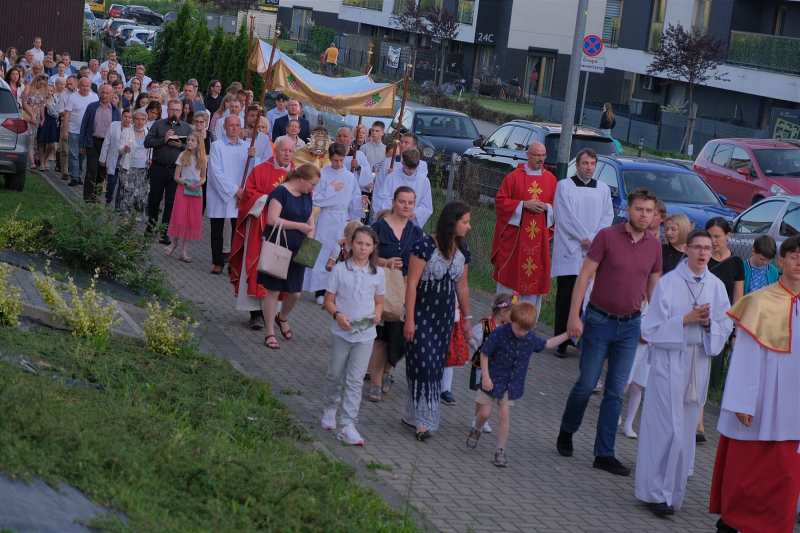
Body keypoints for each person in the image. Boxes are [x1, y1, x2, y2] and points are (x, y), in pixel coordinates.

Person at [556, 188, 662, 477]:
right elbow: (583, 277)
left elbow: (654, 290)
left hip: (630, 326)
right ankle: (567, 429)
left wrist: (656, 325)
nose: (644, 215)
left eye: (649, 211)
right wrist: (573, 316)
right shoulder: (607, 236)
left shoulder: (655, 246)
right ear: (627, 210)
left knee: (615, 392)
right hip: (598, 320)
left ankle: (604, 453)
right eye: (639, 209)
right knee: (587, 383)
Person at [635, 229, 733, 516]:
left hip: (697, 361)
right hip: (669, 360)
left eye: (707, 248)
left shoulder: (716, 285)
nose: (703, 253)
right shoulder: (668, 283)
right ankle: (655, 493)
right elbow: (650, 330)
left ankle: (672, 494)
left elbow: (725, 324)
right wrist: (686, 320)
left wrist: (707, 326)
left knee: (686, 431)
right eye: (697, 247)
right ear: (687, 249)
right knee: (667, 428)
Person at [709, 234, 800, 533]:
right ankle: (731, 524)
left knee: (785, 474)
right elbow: (745, 356)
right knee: (747, 470)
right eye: (795, 255)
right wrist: (741, 402)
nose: (799, 262)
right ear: (781, 261)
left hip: (794, 406)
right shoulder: (759, 301)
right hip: (760, 401)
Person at [466, 301, 570, 466]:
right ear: (511, 320)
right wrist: (485, 376)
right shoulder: (499, 333)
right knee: (485, 413)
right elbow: (485, 354)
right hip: (492, 379)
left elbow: (549, 344)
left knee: (504, 414)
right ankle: (476, 429)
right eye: (518, 328)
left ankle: (500, 449)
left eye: (525, 330)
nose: (521, 333)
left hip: (511, 384)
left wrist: (568, 335)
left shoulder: (530, 337)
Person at [403, 202, 473, 439]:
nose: (469, 226)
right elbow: (411, 284)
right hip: (422, 312)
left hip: (444, 317)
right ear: (452, 222)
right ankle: (424, 420)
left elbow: (462, 287)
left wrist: (467, 319)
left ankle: (413, 414)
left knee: (434, 365)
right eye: (465, 222)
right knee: (423, 363)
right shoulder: (425, 245)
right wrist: (409, 319)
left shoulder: (462, 249)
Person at [321, 226, 386, 445]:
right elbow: (329, 300)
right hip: (341, 332)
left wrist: (378, 314)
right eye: (359, 243)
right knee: (335, 374)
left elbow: (379, 302)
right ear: (351, 244)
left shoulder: (378, 273)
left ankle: (348, 424)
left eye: (367, 244)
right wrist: (338, 315)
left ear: (373, 248)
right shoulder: (340, 270)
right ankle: (330, 407)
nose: (363, 248)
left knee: (356, 380)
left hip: (365, 335)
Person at [551, 148, 614, 357]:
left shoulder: (603, 189)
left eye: (593, 163)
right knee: (567, 296)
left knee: (590, 296)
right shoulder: (564, 186)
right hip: (571, 248)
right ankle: (561, 341)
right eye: (585, 163)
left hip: (592, 250)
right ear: (576, 165)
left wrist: (594, 239)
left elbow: (607, 217)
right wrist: (583, 238)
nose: (589, 167)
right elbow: (564, 217)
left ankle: (581, 341)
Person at [230, 137, 296, 330]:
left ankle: (274, 313)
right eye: (283, 150)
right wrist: (270, 200)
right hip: (260, 225)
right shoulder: (260, 170)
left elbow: (306, 197)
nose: (287, 154)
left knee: (278, 268)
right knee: (257, 266)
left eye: (290, 151)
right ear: (277, 151)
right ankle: (256, 314)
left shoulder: (298, 175)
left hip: (285, 230)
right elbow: (248, 195)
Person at [367, 187, 424, 401]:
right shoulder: (378, 228)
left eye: (410, 202)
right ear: (393, 202)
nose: (406, 206)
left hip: (407, 291)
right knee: (380, 339)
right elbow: (363, 254)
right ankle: (374, 383)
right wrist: (385, 262)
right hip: (382, 290)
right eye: (402, 201)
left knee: (403, 339)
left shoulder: (416, 232)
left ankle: (385, 371)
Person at [491, 141, 557, 319]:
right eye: (537, 155)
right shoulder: (513, 177)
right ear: (528, 155)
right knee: (509, 280)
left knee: (533, 284)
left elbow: (557, 206)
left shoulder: (551, 180)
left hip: (538, 243)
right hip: (515, 242)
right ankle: (501, 320)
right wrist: (522, 205)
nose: (541, 159)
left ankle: (527, 324)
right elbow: (500, 202)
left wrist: (547, 208)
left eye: (543, 155)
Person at [621, 202, 669, 439]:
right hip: (634, 331)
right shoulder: (639, 293)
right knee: (625, 379)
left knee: (639, 382)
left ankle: (629, 423)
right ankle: (614, 412)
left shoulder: (659, 293)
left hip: (649, 337)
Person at [259, 164, 319, 350]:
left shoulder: (307, 194)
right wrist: (298, 226)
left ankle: (282, 317)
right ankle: (269, 332)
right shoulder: (280, 192)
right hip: (279, 245)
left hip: (298, 247)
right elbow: (272, 219)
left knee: (295, 293)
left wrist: (309, 244)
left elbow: (310, 222)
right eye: (313, 184)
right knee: (274, 290)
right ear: (302, 179)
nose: (313, 188)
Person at [303, 142, 368, 304]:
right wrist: (331, 189)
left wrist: (360, 199)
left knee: (340, 254)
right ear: (330, 158)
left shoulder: (349, 176)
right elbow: (314, 198)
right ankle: (320, 290)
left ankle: (337, 291)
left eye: (341, 160)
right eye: (335, 160)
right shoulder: (323, 174)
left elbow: (353, 198)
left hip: (342, 219)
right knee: (323, 255)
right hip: (326, 219)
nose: (338, 164)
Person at [699, 217, 744, 440]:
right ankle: (698, 423)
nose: (714, 240)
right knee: (698, 369)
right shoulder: (702, 258)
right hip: (699, 318)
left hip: (721, 324)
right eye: (710, 236)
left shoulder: (736, 263)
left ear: (728, 236)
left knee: (709, 372)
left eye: (717, 236)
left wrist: (736, 331)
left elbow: (738, 300)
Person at [207, 115, 257, 275]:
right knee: (217, 230)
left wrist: (254, 158)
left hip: (240, 194)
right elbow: (215, 172)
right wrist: (234, 189)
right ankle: (218, 262)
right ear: (225, 127)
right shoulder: (217, 145)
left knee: (237, 231)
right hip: (222, 192)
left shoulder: (247, 147)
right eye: (231, 125)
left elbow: (253, 171)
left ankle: (234, 263)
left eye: (237, 125)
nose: (234, 128)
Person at [144, 99, 193, 245]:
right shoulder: (158, 125)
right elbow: (147, 142)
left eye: (177, 110)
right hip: (158, 167)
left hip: (176, 171)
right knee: (154, 199)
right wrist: (163, 140)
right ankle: (151, 226)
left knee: (171, 202)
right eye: (172, 110)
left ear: (182, 111)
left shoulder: (187, 128)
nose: (174, 112)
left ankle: (165, 232)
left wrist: (181, 145)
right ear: (167, 111)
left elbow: (194, 148)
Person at [468, 293, 516, 433]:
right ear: (503, 312)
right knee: (483, 394)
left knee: (492, 393)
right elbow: (475, 343)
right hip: (482, 367)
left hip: (498, 368)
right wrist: (469, 339)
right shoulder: (484, 326)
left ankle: (483, 418)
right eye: (512, 314)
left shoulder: (508, 328)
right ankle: (478, 418)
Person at [165, 132, 207, 263]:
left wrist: (198, 184)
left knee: (191, 220)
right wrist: (186, 184)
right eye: (188, 140)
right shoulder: (183, 155)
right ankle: (174, 242)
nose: (189, 142)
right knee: (180, 216)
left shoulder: (203, 159)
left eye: (192, 140)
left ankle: (184, 251)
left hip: (196, 191)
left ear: (199, 143)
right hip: (183, 189)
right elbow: (176, 177)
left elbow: (203, 177)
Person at [372, 148, 433, 229]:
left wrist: (415, 213)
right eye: (409, 168)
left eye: (414, 168)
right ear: (403, 163)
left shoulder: (424, 181)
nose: (411, 171)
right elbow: (383, 199)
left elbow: (426, 205)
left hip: (412, 222)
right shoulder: (391, 177)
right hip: (393, 220)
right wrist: (397, 210)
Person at [79, 85, 120, 202]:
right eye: (103, 92)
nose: (105, 95)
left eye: (107, 93)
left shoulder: (115, 110)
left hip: (107, 144)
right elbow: (84, 125)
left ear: (112, 95)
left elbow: (118, 128)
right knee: (92, 168)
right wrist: (81, 143)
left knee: (102, 170)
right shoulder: (92, 107)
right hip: (93, 141)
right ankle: (87, 194)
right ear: (99, 93)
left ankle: (97, 194)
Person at [372, 133, 428, 204]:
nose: (402, 145)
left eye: (406, 143)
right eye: (401, 142)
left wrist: (397, 175)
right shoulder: (389, 162)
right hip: (390, 205)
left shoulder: (421, 165)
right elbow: (379, 184)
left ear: (414, 147)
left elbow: (417, 185)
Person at [117, 109, 151, 224]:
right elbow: (119, 149)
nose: (140, 121)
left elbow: (151, 150)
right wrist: (124, 149)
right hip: (129, 167)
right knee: (127, 191)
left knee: (140, 193)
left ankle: (134, 216)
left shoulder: (149, 133)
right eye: (137, 119)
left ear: (146, 121)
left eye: (142, 119)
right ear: (133, 120)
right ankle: (125, 216)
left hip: (143, 168)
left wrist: (151, 159)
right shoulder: (126, 132)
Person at [63, 77, 99, 187]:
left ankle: (78, 174)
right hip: (74, 130)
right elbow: (67, 114)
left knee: (82, 155)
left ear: (90, 86)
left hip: (87, 132)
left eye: (87, 86)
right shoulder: (73, 97)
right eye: (83, 85)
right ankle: (74, 177)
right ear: (79, 85)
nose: (85, 88)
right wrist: (65, 130)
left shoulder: (94, 97)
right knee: (73, 154)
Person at [100, 107, 131, 209]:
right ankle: (108, 199)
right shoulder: (114, 125)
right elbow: (107, 142)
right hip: (114, 158)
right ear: (122, 116)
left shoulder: (132, 130)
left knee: (122, 184)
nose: (127, 119)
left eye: (129, 117)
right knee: (112, 182)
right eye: (125, 116)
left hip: (125, 161)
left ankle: (118, 205)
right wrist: (103, 158)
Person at [22, 74, 47, 169]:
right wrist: (32, 115)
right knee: (30, 137)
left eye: (43, 84)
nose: (41, 85)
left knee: (34, 138)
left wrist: (43, 118)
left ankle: (34, 159)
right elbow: (24, 103)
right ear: (36, 81)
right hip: (28, 114)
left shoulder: (42, 90)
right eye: (40, 83)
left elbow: (42, 106)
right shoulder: (28, 88)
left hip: (37, 115)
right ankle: (32, 161)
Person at [335, 127, 372, 192]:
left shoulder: (359, 155)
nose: (341, 138)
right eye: (339, 136)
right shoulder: (329, 155)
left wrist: (358, 167)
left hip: (351, 191)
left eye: (345, 136)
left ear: (351, 139)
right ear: (336, 138)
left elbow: (368, 176)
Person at [38, 84, 59, 170]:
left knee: (51, 144)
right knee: (41, 143)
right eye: (47, 90)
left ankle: (45, 158)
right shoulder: (41, 100)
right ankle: (42, 162)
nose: (49, 92)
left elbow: (57, 115)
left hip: (51, 123)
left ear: (53, 92)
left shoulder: (54, 102)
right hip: (43, 122)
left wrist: (50, 108)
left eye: (51, 91)